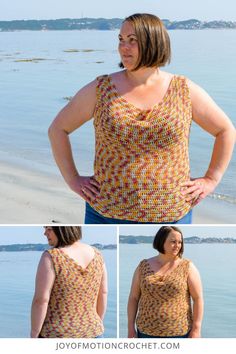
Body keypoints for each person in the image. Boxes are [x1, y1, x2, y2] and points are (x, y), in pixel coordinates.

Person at [48, 13, 235, 224]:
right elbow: (58, 129)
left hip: (172, 214)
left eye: (132, 40)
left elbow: (225, 130)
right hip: (106, 213)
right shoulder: (101, 90)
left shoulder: (183, 90)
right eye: (121, 39)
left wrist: (211, 179)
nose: (123, 47)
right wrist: (72, 179)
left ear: (153, 42)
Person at [31, 226, 108, 338]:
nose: (45, 233)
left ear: (62, 229)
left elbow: (41, 300)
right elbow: (103, 292)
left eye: (49, 229)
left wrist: (34, 333)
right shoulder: (97, 254)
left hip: (57, 334)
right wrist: (95, 323)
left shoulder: (52, 257)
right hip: (94, 333)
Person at [127, 226, 204, 338]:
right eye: (173, 242)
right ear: (161, 241)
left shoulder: (187, 267)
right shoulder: (143, 266)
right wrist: (130, 327)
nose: (177, 245)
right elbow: (133, 298)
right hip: (145, 332)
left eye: (180, 242)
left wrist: (196, 329)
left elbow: (198, 299)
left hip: (179, 333)